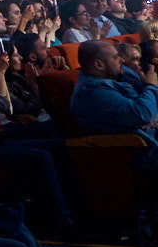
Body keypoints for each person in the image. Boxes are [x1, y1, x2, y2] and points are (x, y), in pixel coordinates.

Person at [67, 37, 158, 171]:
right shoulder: (91, 92)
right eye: (116, 57)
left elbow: (146, 109)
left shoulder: (115, 75)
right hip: (140, 153)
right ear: (99, 65)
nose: (122, 60)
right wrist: (151, 86)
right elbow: (142, 113)